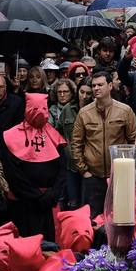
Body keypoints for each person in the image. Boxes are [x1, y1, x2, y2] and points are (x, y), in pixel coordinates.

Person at [1, 93, 67, 241]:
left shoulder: (53, 135)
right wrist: (37, 196)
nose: (40, 112)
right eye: (35, 108)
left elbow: (62, 169)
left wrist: (53, 194)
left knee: (50, 247)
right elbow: (13, 174)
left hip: (49, 203)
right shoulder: (12, 135)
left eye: (43, 108)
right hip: (23, 203)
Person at [70, 71, 136, 217]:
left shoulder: (125, 111)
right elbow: (76, 143)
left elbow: (133, 141)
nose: (96, 88)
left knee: (119, 216)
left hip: (119, 174)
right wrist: (84, 170)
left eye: (100, 85)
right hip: (93, 175)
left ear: (110, 86)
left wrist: (128, 169)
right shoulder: (84, 113)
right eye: (93, 85)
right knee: (93, 217)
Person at [48, 79, 80, 209]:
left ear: (72, 93)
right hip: (58, 156)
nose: (62, 95)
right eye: (59, 92)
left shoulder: (77, 108)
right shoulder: (52, 110)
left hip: (74, 156)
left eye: (65, 92)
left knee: (75, 195)